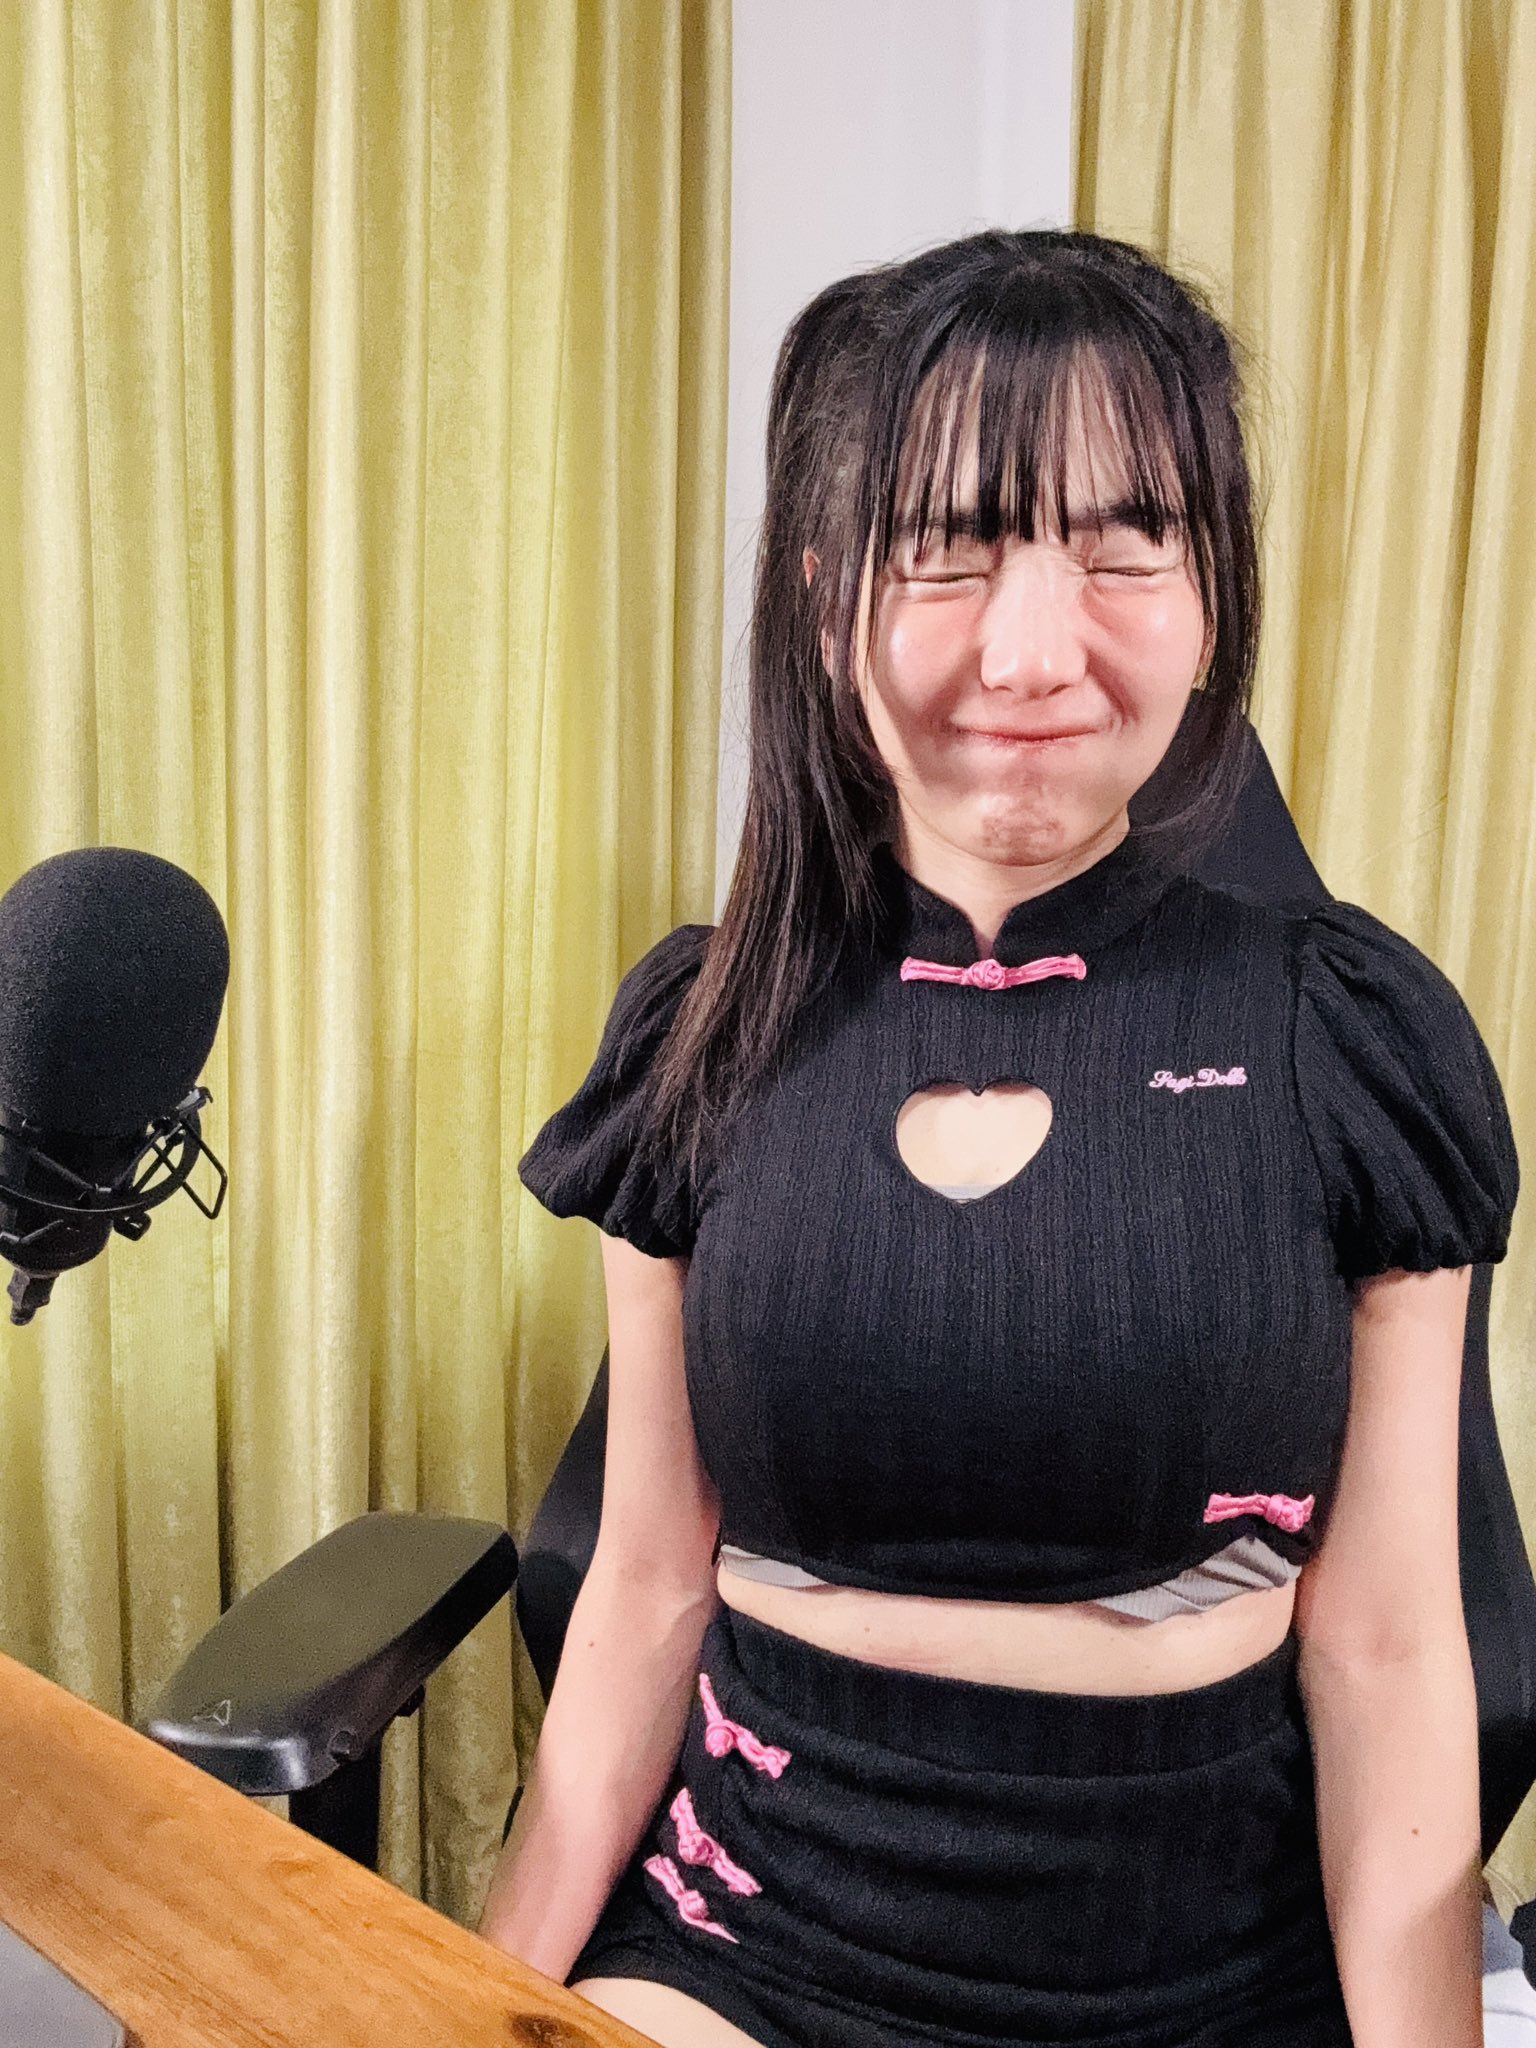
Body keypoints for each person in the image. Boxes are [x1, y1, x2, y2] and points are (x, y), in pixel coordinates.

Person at [477, 229, 1520, 2047]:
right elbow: (642, 1585)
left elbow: (1389, 1645)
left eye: (1126, 544)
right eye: (946, 551)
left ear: (1213, 594)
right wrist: (473, 2001)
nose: (1035, 654)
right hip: (756, 1935)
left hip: (1209, 1972)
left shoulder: (1349, 1036)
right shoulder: (703, 1030)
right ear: (827, 603)